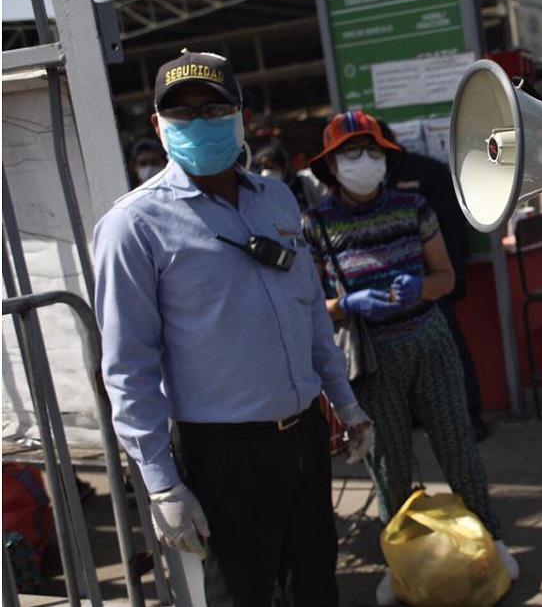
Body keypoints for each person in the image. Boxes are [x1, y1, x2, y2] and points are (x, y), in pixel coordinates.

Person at [93, 49, 374, 606]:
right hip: (223, 453)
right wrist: (162, 482)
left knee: (316, 587)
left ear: (241, 116)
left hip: (302, 437)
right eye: (182, 114)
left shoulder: (274, 197)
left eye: (213, 108)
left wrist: (345, 403)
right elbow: (128, 368)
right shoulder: (133, 225)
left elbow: (308, 310)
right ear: (157, 125)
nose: (199, 123)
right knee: (242, 595)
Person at [302, 110, 517, 603]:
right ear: (331, 166)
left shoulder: (413, 206)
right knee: (388, 463)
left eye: (373, 151)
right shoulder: (314, 224)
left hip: (429, 341)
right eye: (350, 153)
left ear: (388, 158)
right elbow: (312, 306)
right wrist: (347, 305)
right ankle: (399, 561)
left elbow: (445, 277)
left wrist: (420, 287)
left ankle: (492, 542)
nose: (365, 161)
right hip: (371, 358)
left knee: (457, 447)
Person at [377, 122, 489, 440]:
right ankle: (416, 418)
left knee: (449, 351)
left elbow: (453, 229)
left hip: (433, 284)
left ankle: (470, 418)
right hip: (392, 291)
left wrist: (448, 280)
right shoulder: (369, 187)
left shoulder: (427, 173)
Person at [254, 140, 327, 211]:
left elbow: (324, 204)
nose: (266, 172)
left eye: (271, 167)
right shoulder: (260, 193)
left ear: (284, 167)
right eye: (262, 168)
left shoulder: (306, 181)